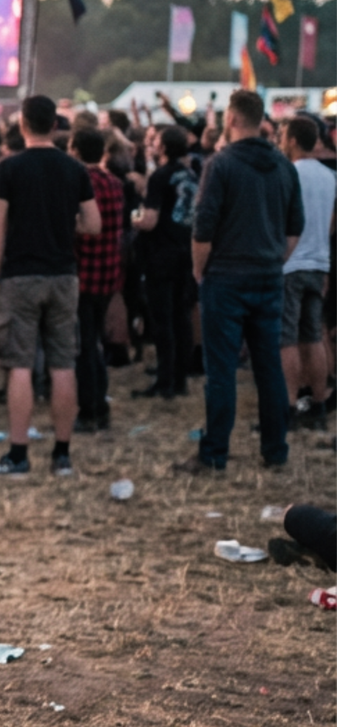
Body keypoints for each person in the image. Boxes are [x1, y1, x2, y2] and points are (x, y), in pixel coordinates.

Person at [174, 90, 304, 474]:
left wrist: (199, 269)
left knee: (221, 370)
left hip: (226, 277)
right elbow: (295, 227)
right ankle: (275, 449)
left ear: (231, 119)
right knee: (269, 367)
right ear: (261, 120)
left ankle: (214, 452)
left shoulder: (221, 164)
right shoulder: (284, 166)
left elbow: (203, 227)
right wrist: (275, 259)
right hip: (268, 276)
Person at [0, 95, 100, 477]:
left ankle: (19, 454)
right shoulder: (74, 168)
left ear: (22, 126)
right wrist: (65, 224)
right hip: (63, 274)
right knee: (63, 363)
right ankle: (62, 454)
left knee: (19, 364)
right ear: (54, 125)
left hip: (20, 274)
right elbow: (94, 224)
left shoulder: (8, 168)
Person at [133, 125, 199, 400]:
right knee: (181, 317)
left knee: (162, 320)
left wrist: (133, 219)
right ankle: (180, 378)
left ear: (162, 147)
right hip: (185, 250)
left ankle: (165, 381)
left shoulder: (160, 176)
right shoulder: (191, 174)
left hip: (161, 254)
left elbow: (149, 220)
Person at [279, 116, 334, 428]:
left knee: (285, 339)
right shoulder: (329, 176)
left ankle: (288, 408)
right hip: (319, 262)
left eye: (283, 136)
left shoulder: (289, 173)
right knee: (313, 336)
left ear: (293, 140)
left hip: (291, 262)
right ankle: (319, 403)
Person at [70, 129, 126, 432]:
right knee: (96, 343)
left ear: (75, 150)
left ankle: (89, 410)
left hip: (84, 273)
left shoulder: (80, 182)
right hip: (108, 273)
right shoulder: (114, 182)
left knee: (85, 347)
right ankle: (101, 407)